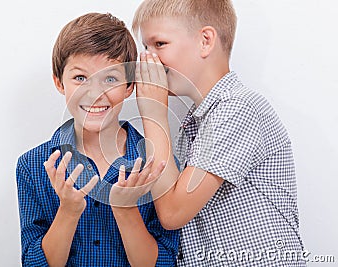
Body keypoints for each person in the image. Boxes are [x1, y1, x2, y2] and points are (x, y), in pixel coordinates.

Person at [128, 0, 306, 266]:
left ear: (205, 41)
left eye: (159, 44)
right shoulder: (196, 123)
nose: (147, 59)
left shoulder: (238, 108)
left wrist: (153, 113)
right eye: (145, 47)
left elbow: (174, 212)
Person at [16, 12, 179, 267]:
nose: (95, 93)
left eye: (110, 79)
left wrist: (126, 210)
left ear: (129, 87)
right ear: (59, 82)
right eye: (80, 78)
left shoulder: (158, 164)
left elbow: (164, 262)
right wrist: (68, 210)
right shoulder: (33, 165)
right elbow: (35, 263)